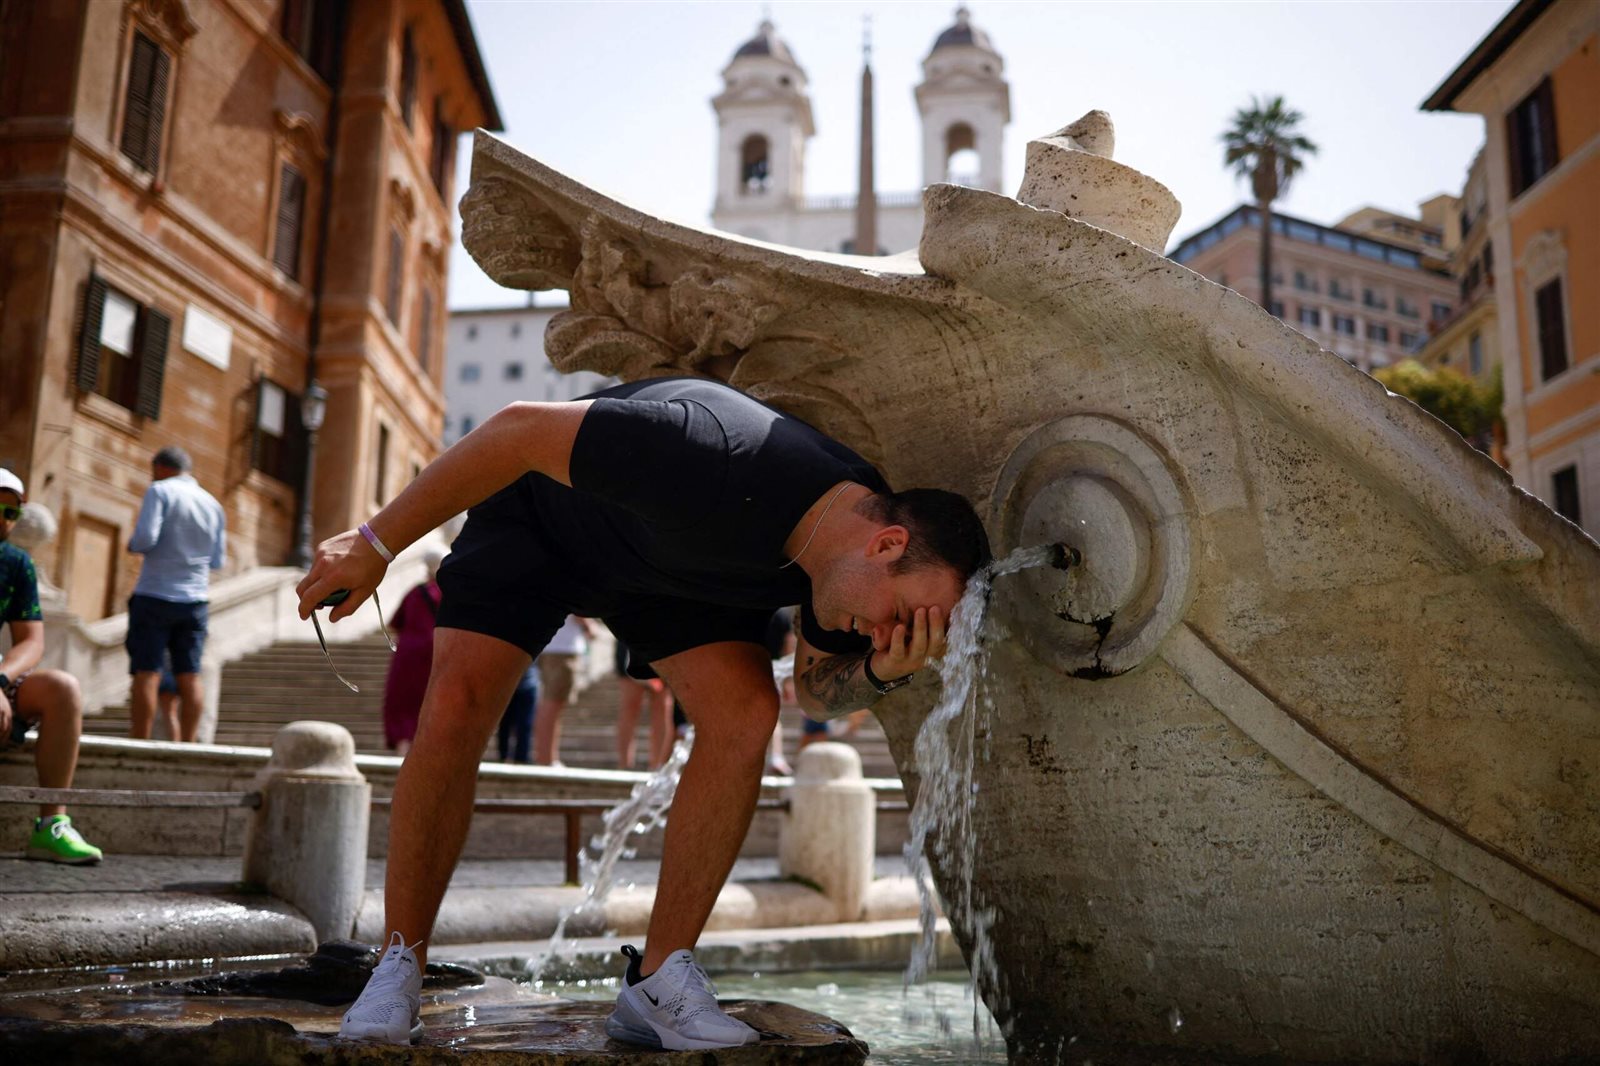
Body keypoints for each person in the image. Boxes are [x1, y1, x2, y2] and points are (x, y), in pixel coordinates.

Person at [297, 377, 989, 1049]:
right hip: (546, 523)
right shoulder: (713, 450)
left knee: (747, 714)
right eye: (901, 617)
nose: (887, 633)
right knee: (458, 703)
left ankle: (657, 984)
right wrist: (376, 543)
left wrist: (882, 670)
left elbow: (812, 695)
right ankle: (399, 966)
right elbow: (516, 428)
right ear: (886, 544)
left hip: (677, 577)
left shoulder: (843, 565)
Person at [0, 470, 103, 864]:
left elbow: (32, 641)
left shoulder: (16, 563)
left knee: (63, 688)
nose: (4, 519)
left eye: (12, 511)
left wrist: (1, 680)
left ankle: (51, 826)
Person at [126, 446, 226, 742]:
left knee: (147, 671)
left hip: (155, 593)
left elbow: (145, 538)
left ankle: (138, 742)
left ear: (160, 467)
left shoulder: (159, 491)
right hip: (195, 600)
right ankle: (189, 744)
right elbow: (217, 560)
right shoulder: (213, 504)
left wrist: (132, 544)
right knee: (190, 675)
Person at [381, 546, 446, 756]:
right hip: (438, 652)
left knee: (403, 703)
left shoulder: (415, 593)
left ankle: (403, 750)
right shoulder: (448, 594)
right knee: (431, 703)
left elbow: (395, 623)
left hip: (408, 654)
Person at [532, 614, 593, 766]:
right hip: (562, 650)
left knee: (550, 704)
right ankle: (547, 759)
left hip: (551, 648)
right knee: (552, 704)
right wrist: (590, 627)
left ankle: (546, 757)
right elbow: (578, 610)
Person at [614, 637, 673, 770]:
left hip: (664, 643)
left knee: (662, 707)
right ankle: (624, 766)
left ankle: (657, 766)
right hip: (632, 640)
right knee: (630, 706)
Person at [496, 662, 539, 764]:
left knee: (524, 725)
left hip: (527, 684)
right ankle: (504, 757)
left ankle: (521, 758)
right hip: (509, 684)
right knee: (505, 724)